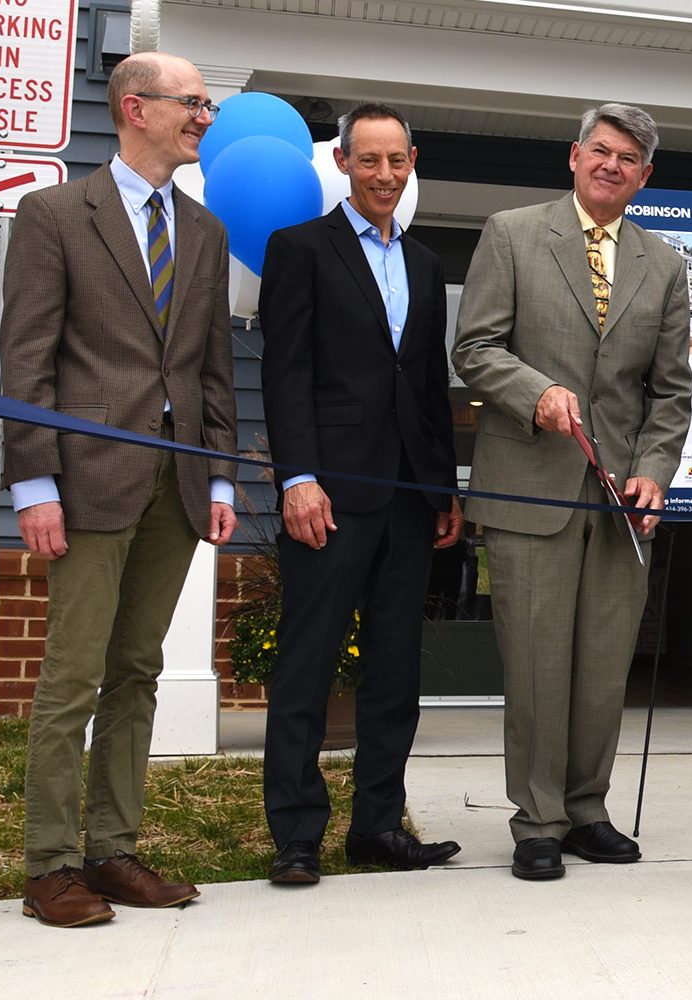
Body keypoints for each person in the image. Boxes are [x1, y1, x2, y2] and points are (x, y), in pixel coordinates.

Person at [2, 52, 238, 926]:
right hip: (85, 483)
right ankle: (48, 866)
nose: (204, 117)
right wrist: (35, 485)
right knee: (71, 678)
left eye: (208, 104)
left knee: (136, 670)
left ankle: (112, 851)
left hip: (175, 485)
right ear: (136, 108)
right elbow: (26, 362)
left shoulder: (204, 233)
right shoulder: (57, 213)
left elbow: (214, 366)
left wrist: (218, 471)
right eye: (192, 103)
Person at [451, 103, 692, 881]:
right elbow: (476, 346)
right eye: (601, 150)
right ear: (574, 155)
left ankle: (588, 810)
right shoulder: (512, 234)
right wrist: (534, 393)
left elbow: (671, 392)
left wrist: (654, 467)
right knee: (535, 666)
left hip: (622, 500)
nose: (611, 165)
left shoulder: (664, 263)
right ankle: (537, 821)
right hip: (530, 488)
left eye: (628, 158)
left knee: (600, 668)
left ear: (644, 177)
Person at [259, 102, 465, 884]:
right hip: (329, 497)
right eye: (369, 160)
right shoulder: (300, 250)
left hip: (409, 500)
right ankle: (297, 836)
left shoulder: (424, 263)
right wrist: (298, 478)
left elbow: (424, 386)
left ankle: (377, 826)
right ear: (342, 163)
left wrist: (444, 488)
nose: (384, 175)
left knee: (394, 672)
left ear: (413, 163)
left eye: (398, 161)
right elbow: (286, 375)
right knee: (306, 668)